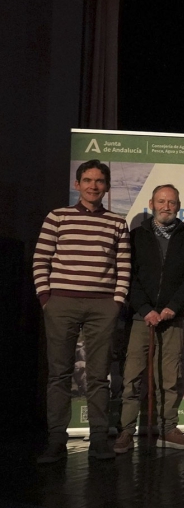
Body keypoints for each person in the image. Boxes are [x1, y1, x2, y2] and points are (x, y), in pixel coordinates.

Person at [33, 159, 131, 462]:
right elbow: (40, 259)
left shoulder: (117, 222)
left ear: (106, 186)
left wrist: (116, 301)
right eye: (87, 180)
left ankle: (100, 439)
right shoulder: (57, 217)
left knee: (99, 375)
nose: (93, 186)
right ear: (77, 185)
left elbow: (123, 266)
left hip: (102, 305)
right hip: (61, 304)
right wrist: (46, 299)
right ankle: (56, 441)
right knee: (59, 374)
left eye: (99, 181)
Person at [114, 184, 184, 453]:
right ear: (151, 203)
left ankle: (167, 428)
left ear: (179, 205)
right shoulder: (135, 236)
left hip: (171, 318)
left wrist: (172, 307)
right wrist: (145, 309)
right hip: (141, 318)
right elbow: (128, 275)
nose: (167, 206)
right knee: (132, 377)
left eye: (172, 202)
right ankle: (126, 432)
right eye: (162, 201)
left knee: (169, 377)